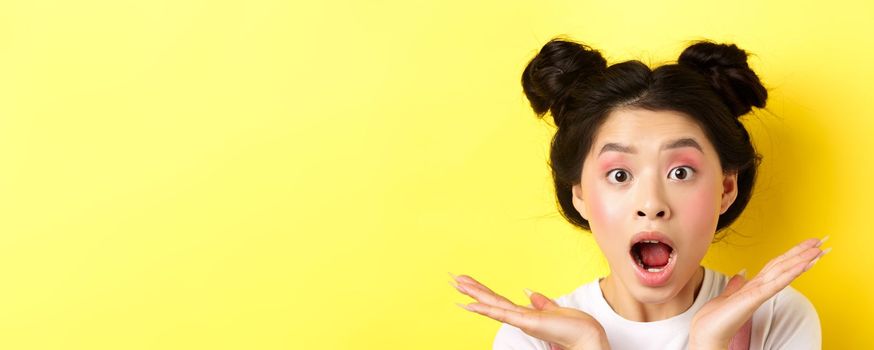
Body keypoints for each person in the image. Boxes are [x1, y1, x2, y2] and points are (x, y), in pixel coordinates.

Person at [449, 37, 830, 350]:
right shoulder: (531, 340)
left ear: (726, 189)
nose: (652, 204)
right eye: (619, 174)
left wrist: (710, 344)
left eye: (680, 172)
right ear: (579, 194)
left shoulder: (777, 316)